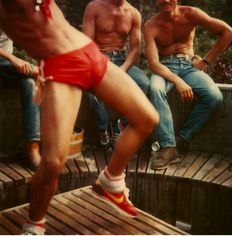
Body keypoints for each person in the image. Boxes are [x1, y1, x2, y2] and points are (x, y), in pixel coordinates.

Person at [0, 0, 159, 234]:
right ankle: (34, 225)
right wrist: (19, 62)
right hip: (60, 67)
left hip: (89, 54)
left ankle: (111, 181)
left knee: (147, 118)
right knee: (53, 161)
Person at [143, 0, 232, 170]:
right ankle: (168, 147)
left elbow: (228, 32)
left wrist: (206, 61)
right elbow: (153, 64)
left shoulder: (191, 14)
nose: (165, 1)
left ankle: (181, 139)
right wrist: (178, 81)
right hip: (164, 68)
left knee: (214, 96)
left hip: (189, 66)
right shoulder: (151, 25)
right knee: (155, 88)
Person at [82, 0, 151, 146]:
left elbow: (135, 49)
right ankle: (103, 127)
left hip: (121, 60)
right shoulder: (94, 7)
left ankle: (120, 125)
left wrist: (122, 70)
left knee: (143, 83)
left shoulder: (133, 13)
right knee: (87, 84)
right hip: (98, 57)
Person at [0, 29, 41, 167]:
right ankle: (43, 71)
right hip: (7, 63)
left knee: (29, 83)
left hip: (5, 69)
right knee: (34, 73)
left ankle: (31, 147)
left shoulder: (13, 11)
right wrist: (13, 59)